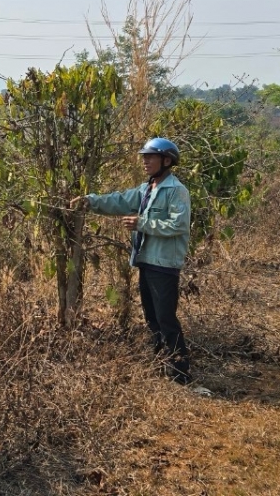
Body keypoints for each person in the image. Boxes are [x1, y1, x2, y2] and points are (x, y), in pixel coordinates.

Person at [71, 137, 193, 384]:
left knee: (166, 318)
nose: (146, 161)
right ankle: (161, 365)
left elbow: (179, 224)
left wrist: (142, 223)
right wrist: (90, 201)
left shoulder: (176, 190)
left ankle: (181, 373)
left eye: (151, 157)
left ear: (167, 161)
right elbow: (119, 200)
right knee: (152, 317)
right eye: (144, 157)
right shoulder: (147, 188)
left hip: (164, 265)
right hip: (147, 261)